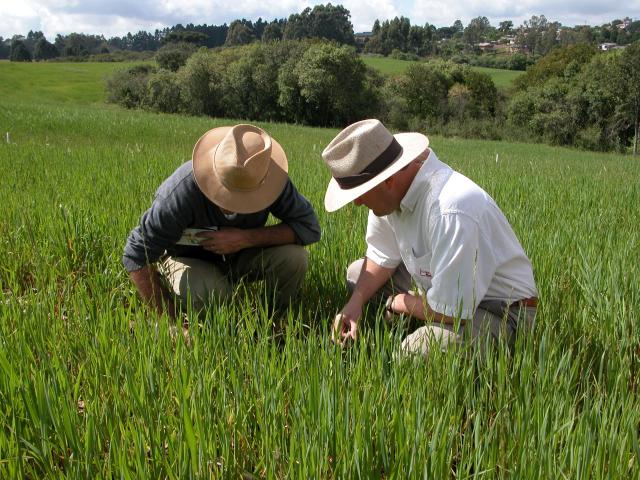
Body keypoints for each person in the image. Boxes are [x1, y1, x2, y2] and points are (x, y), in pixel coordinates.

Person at [321, 119, 537, 357]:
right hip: (442, 294)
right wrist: (355, 303)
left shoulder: (451, 208)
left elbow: (454, 312)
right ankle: (419, 320)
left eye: (360, 193)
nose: (357, 202)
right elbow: (381, 255)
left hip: (500, 311)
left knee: (414, 353)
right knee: (357, 275)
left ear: (388, 181)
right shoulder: (388, 198)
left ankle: (421, 331)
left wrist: (401, 302)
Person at [123, 123, 321, 327]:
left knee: (295, 259)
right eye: (229, 196)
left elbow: (309, 228)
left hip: (243, 253)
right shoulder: (180, 192)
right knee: (212, 294)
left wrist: (244, 239)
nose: (236, 205)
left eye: (249, 198)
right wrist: (170, 323)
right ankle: (215, 313)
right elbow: (135, 254)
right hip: (188, 258)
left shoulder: (267, 178)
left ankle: (270, 322)